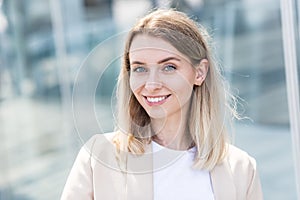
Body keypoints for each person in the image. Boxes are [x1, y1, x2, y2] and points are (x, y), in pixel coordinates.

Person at [61, 9, 263, 200]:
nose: (151, 85)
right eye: (140, 69)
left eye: (169, 67)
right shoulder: (98, 157)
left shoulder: (241, 168)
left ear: (199, 72)